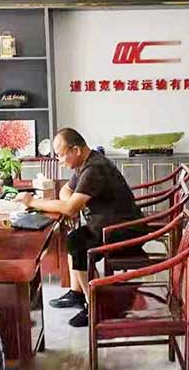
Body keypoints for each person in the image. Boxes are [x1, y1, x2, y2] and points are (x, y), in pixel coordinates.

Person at [15, 128, 146, 327]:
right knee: (75, 238)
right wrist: (72, 206)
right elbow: (66, 191)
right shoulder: (85, 163)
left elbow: (68, 207)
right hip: (108, 225)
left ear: (75, 150)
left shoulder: (94, 169)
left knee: (78, 245)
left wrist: (32, 202)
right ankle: (77, 293)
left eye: (60, 155)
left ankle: (95, 305)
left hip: (125, 230)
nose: (59, 160)